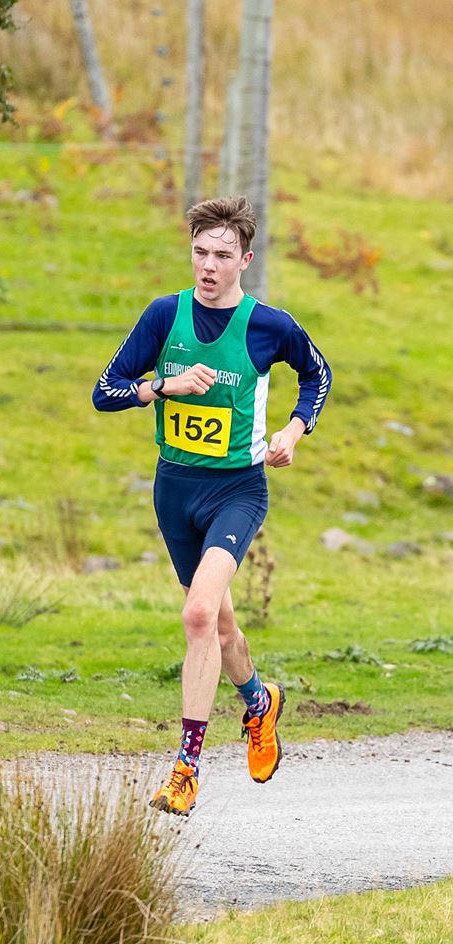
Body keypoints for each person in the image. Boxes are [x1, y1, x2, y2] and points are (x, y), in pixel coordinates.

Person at [92, 196, 332, 816]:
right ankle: (259, 703)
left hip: (237, 491)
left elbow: (318, 374)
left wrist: (294, 430)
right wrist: (162, 386)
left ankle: (186, 769)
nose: (208, 265)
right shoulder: (163, 315)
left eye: (223, 255)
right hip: (174, 491)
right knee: (220, 627)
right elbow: (104, 391)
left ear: (245, 260)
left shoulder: (269, 326)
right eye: (200, 252)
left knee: (198, 615)